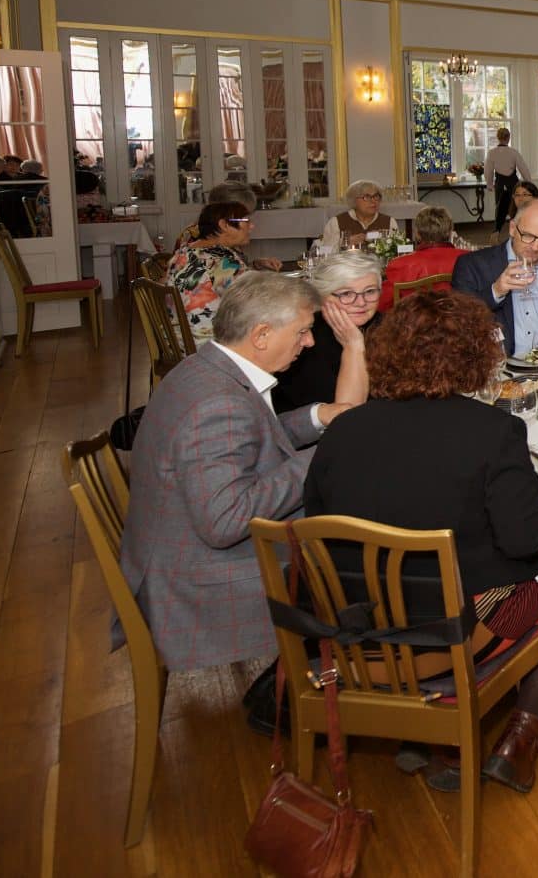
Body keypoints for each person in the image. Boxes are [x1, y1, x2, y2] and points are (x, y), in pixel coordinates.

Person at [302, 291, 538, 792]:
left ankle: (419, 734)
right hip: (455, 632)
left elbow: (317, 524)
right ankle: (518, 742)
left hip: (357, 627)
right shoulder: (493, 430)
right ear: (475, 356)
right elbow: (525, 538)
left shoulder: (344, 430)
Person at [118, 273, 354, 731]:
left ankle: (303, 677)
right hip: (197, 582)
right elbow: (225, 521)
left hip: (171, 551)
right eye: (303, 331)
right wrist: (322, 457)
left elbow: (252, 441)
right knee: (357, 568)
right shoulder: (217, 406)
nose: (308, 343)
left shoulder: (205, 369)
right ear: (261, 334)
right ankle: (303, 698)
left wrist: (319, 417)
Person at [450, 199, 538, 356]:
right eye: (528, 236)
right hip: (498, 367)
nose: (535, 247)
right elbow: (459, 321)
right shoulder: (472, 265)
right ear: (513, 228)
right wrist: (496, 290)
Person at [272, 250, 377, 413]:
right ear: (322, 296)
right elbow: (346, 417)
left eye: (370, 291)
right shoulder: (304, 340)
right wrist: (354, 345)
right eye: (346, 294)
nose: (361, 302)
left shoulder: (392, 329)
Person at [167, 201, 281, 338]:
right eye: (246, 221)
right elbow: (259, 296)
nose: (251, 226)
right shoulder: (218, 258)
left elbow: (214, 279)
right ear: (224, 225)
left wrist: (255, 265)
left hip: (179, 338)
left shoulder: (186, 251)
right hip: (208, 343)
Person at [379, 205, 465, 311]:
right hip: (461, 321)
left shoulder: (400, 264)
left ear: (417, 234)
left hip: (414, 324)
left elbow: (383, 303)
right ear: (450, 232)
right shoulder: (469, 259)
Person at [318, 180, 398, 252]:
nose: (373, 201)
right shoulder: (336, 222)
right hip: (347, 267)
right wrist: (344, 243)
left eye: (376, 196)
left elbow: (396, 251)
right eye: (367, 197)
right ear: (353, 200)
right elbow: (324, 252)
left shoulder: (389, 221)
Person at [485, 128, 530, 232]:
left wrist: (489, 184)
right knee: (516, 206)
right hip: (513, 183)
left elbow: (488, 170)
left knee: (499, 207)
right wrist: (529, 183)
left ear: (498, 138)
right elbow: (523, 168)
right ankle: (519, 230)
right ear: (508, 138)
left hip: (500, 183)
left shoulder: (492, 153)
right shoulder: (513, 152)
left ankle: (497, 230)